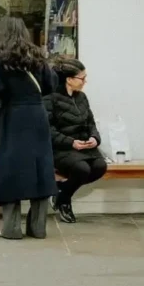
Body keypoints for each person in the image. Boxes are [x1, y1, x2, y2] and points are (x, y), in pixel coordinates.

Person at [0, 17, 56, 240]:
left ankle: (11, 228)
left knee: (11, 171)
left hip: (13, 118)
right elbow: (51, 85)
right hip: (38, 116)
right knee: (41, 169)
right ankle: (38, 227)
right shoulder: (38, 58)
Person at [43, 57, 106, 223]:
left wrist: (94, 138)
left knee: (100, 167)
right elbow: (48, 130)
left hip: (84, 146)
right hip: (62, 148)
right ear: (69, 80)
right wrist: (71, 142)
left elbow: (91, 122)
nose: (85, 81)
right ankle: (64, 202)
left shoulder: (82, 97)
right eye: (82, 78)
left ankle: (61, 193)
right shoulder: (50, 99)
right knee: (82, 169)